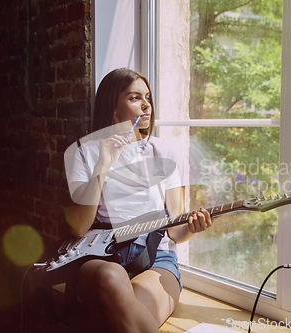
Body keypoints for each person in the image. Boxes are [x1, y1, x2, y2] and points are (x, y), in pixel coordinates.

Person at [64, 68, 213, 333]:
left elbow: (175, 231)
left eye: (148, 97)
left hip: (157, 258)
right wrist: (103, 165)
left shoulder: (165, 153)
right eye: (135, 98)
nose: (146, 105)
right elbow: (77, 228)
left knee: (124, 321)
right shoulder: (84, 153)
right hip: (101, 256)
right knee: (111, 278)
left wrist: (192, 227)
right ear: (113, 107)